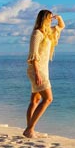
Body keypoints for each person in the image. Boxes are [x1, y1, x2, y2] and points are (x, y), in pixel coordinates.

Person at [23, 9, 65, 138]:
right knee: (48, 99)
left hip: (43, 69)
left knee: (35, 100)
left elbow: (61, 26)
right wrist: (37, 73)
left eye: (52, 18)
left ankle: (30, 129)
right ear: (44, 19)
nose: (51, 20)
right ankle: (30, 129)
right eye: (49, 18)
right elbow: (33, 55)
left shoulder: (48, 33)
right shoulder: (37, 34)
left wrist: (58, 17)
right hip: (36, 70)